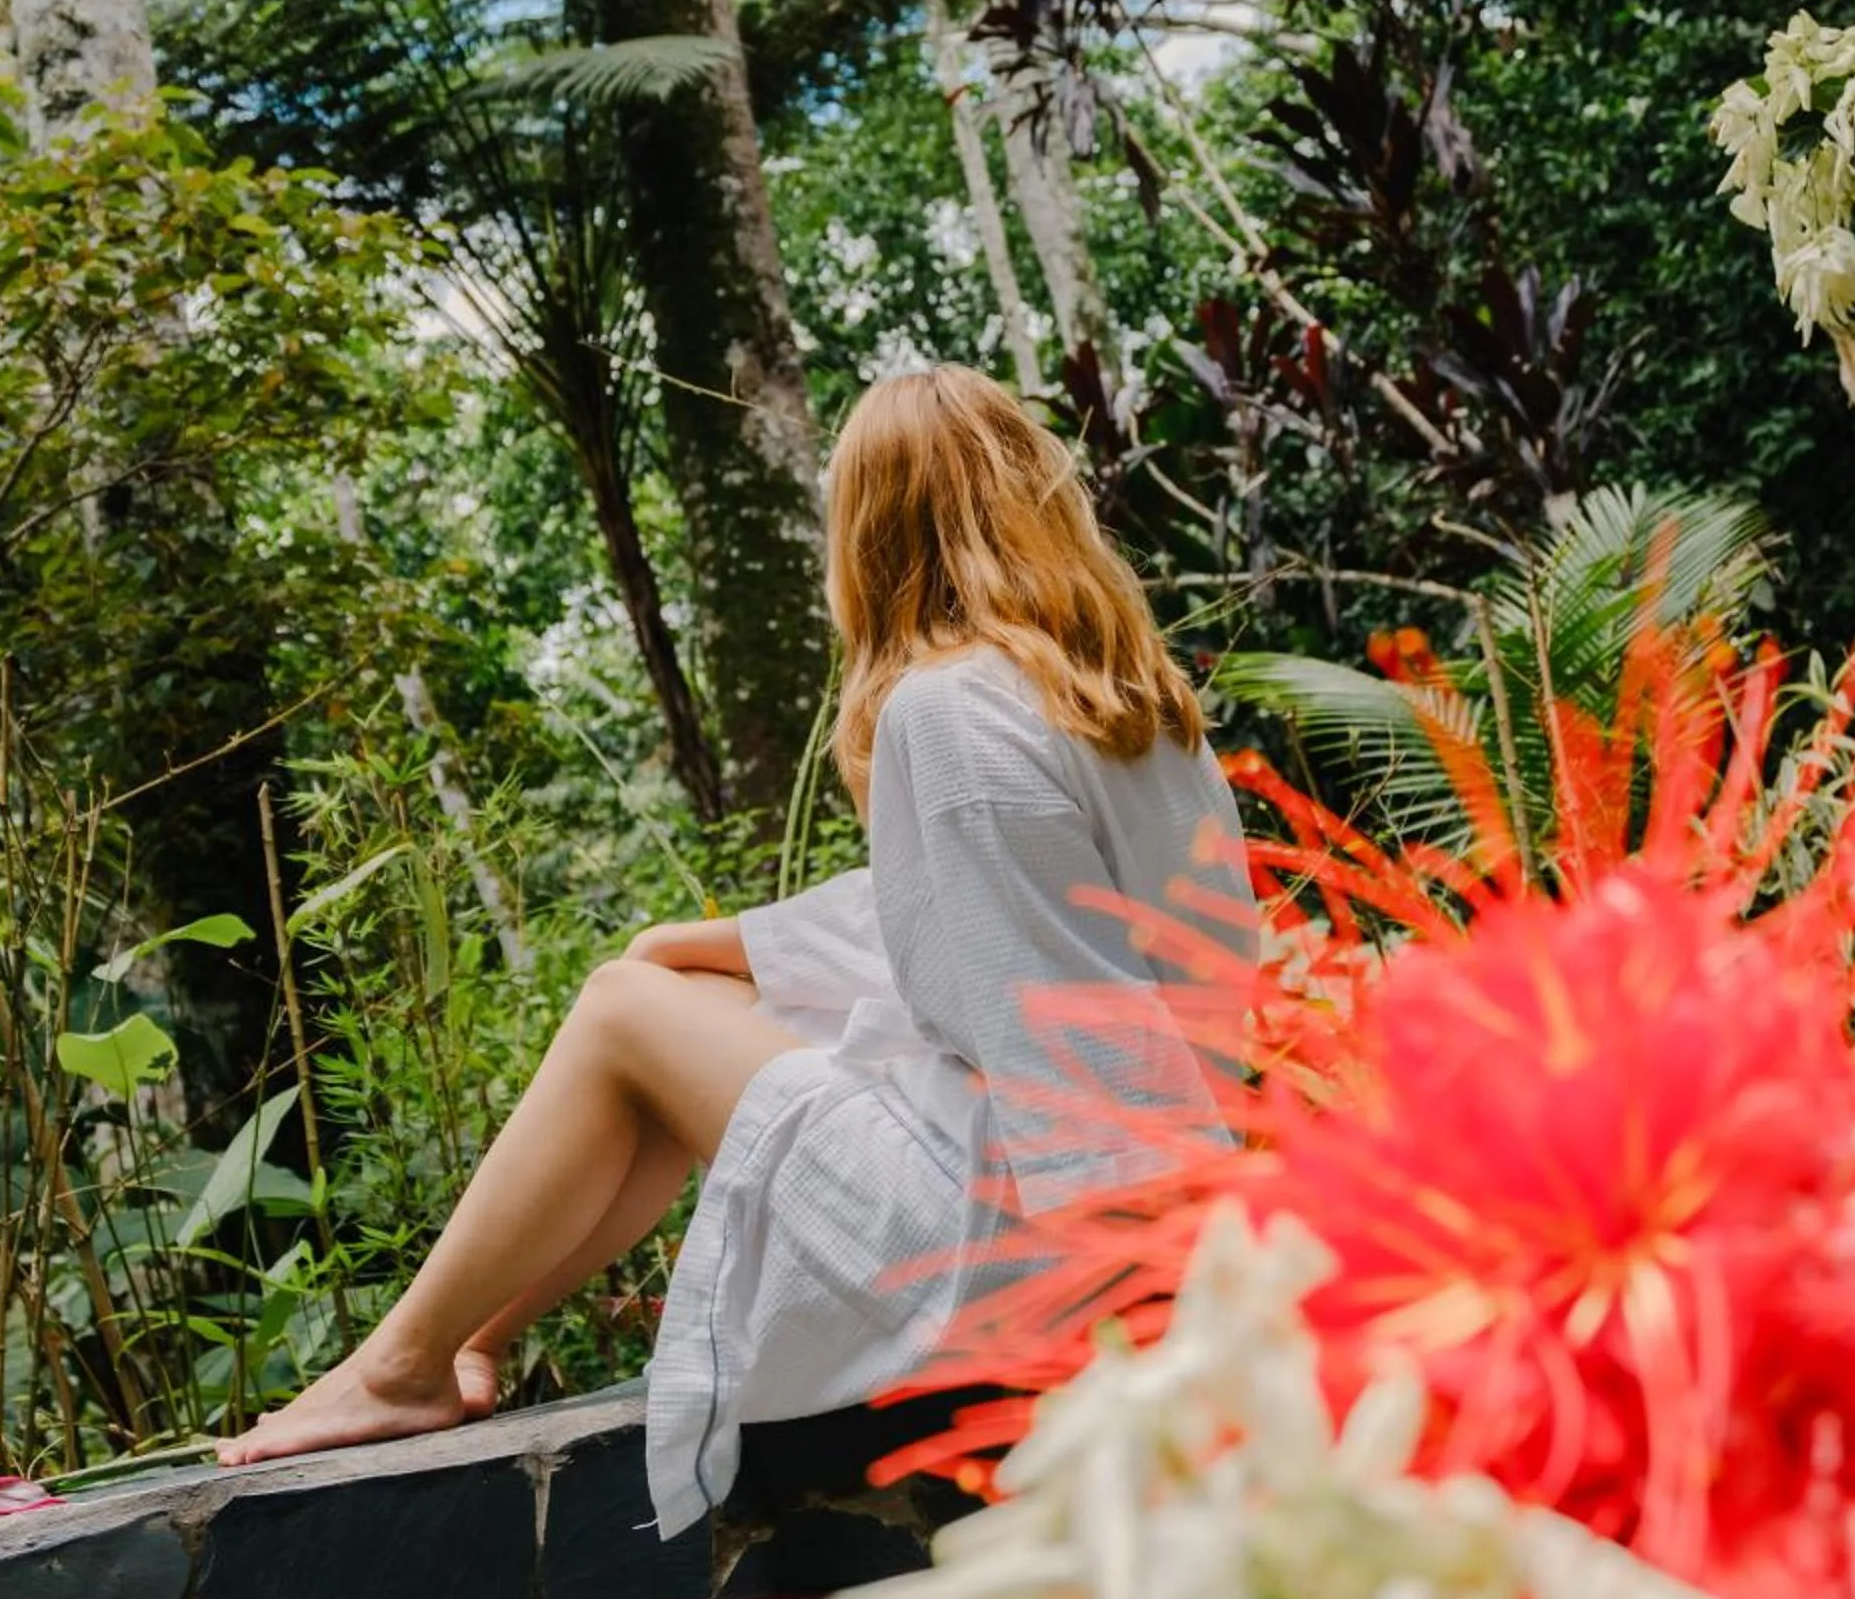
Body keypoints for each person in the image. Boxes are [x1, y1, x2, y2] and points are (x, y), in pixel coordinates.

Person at [219, 366, 1249, 1534]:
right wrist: (719, 945)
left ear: (868, 531)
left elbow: (1044, 1010)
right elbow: (977, 916)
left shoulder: (948, 708)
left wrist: (1143, 1310)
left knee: (618, 1012)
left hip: (1027, 1240)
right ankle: (462, 1345)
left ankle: (403, 1362)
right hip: (1120, 1193)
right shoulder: (1133, 709)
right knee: (652, 995)